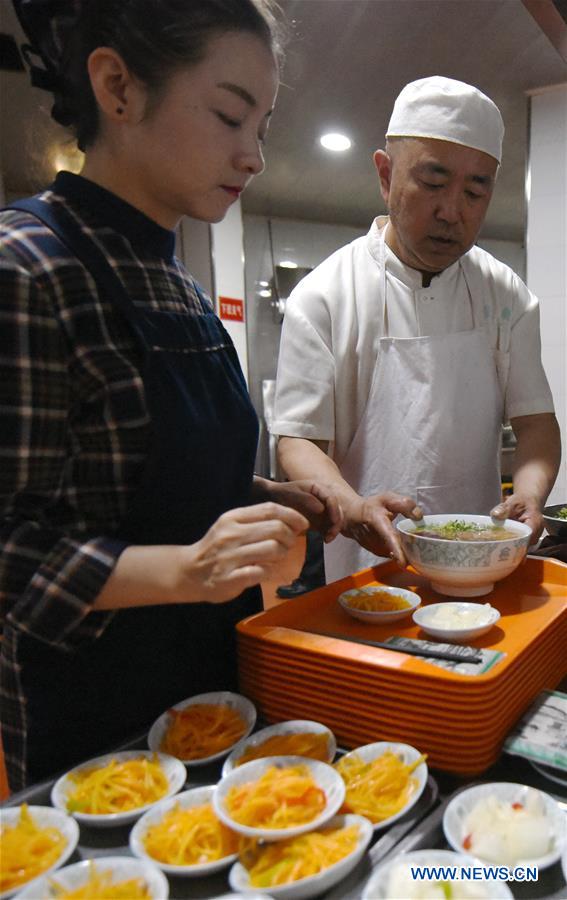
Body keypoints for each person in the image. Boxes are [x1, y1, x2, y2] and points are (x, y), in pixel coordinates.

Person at [0, 0, 341, 791]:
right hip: (90, 717)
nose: (252, 155)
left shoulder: (177, 284)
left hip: (211, 686)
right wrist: (190, 570)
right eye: (229, 115)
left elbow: (138, 481)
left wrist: (279, 500)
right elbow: (12, 548)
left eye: (261, 126)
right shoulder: (27, 267)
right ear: (118, 88)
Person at [272, 76, 561, 584]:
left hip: (480, 566)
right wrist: (352, 505)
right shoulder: (324, 295)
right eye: (432, 183)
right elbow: (299, 441)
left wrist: (531, 496)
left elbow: (537, 424)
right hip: (364, 566)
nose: (452, 211)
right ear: (385, 176)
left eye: (476, 191)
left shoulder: (506, 295)